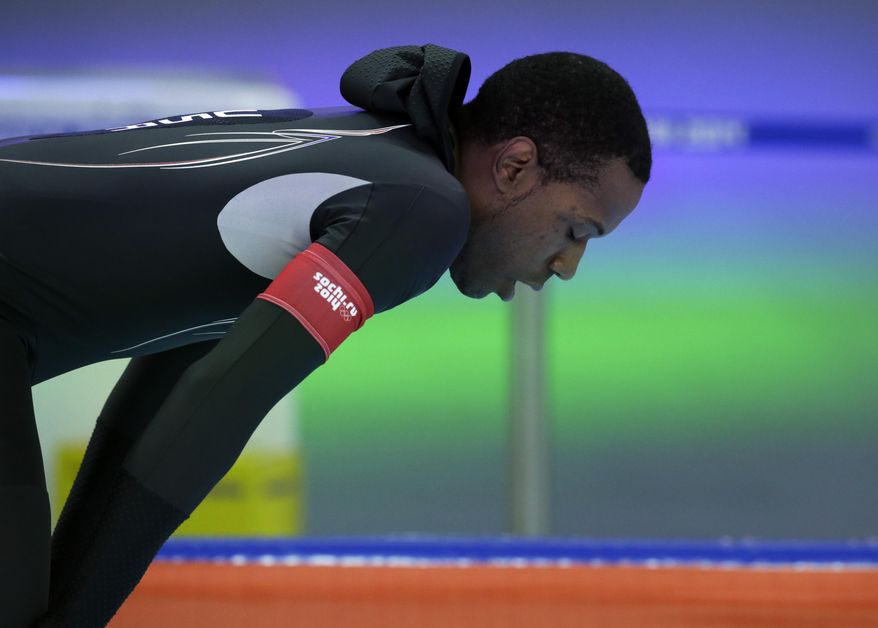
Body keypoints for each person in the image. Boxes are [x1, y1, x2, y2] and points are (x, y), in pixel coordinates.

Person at [0, 43, 651, 626]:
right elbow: (218, 406)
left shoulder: (378, 155)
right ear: (514, 167)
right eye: (576, 232)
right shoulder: (423, 210)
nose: (567, 267)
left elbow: (171, 396)